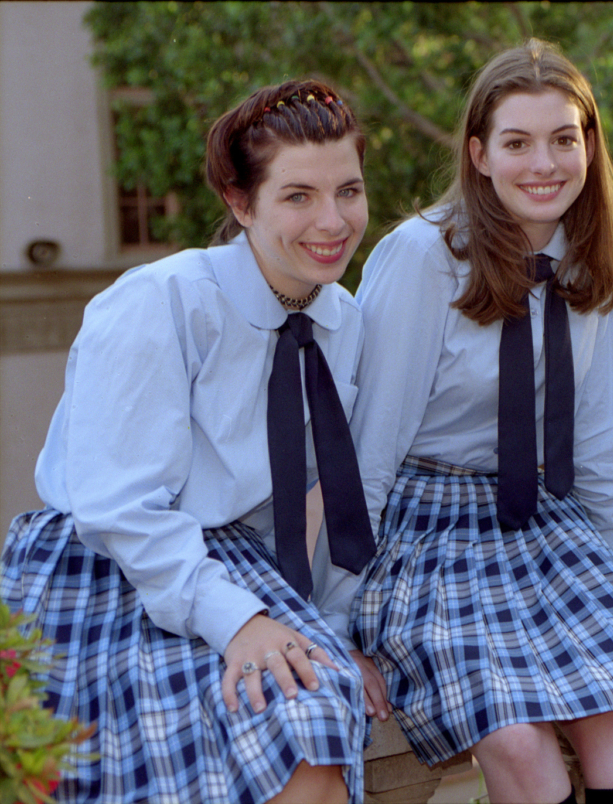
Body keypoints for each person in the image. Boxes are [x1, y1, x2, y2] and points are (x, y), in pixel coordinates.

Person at [1, 79, 389, 804]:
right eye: (298, 196)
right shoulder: (159, 301)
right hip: (102, 564)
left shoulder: (344, 324)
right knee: (198, 740)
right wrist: (238, 621)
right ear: (241, 204)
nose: (332, 221)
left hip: (233, 560)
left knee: (313, 703)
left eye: (349, 191)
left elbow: (322, 499)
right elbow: (117, 508)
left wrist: (333, 631)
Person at [350, 39, 613, 804]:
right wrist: (338, 624)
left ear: (589, 145)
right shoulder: (422, 256)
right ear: (479, 154)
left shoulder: (589, 259)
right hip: (432, 536)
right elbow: (368, 455)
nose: (542, 163)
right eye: (516, 142)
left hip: (548, 523)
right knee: (516, 737)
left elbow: (597, 450)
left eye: (563, 139)